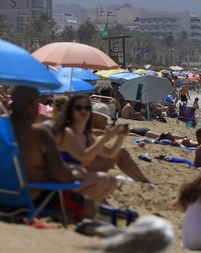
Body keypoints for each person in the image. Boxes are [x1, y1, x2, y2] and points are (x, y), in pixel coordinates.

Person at [8, 86, 120, 220]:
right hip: (33, 197)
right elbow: (59, 172)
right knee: (88, 203)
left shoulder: (3, 126)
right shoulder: (40, 133)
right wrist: (74, 173)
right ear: (33, 104)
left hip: (4, 193)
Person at [55, 96, 153, 185]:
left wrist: (121, 137)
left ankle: (145, 182)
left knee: (121, 152)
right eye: (78, 108)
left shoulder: (87, 133)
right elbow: (83, 156)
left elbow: (110, 153)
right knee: (109, 181)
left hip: (81, 171)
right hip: (69, 176)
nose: (83, 111)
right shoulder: (68, 131)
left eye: (87, 108)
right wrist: (106, 136)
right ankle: (144, 181)